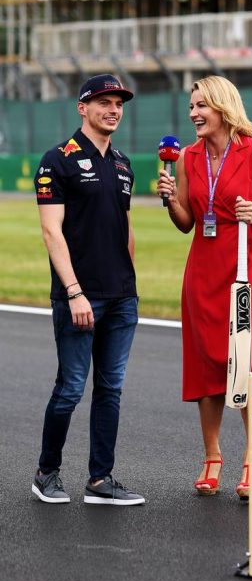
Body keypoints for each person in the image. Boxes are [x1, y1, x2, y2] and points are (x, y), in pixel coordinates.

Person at [157, 75, 252, 497]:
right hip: (203, 268)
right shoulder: (188, 157)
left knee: (248, 361)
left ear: (223, 108)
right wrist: (171, 200)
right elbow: (187, 223)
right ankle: (212, 457)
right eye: (191, 106)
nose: (193, 113)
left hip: (248, 267)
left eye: (201, 106)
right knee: (205, 364)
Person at [32, 74, 144, 506]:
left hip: (121, 297)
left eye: (118, 103)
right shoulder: (57, 160)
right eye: (103, 102)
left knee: (111, 389)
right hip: (79, 296)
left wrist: (130, 283)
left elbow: (125, 227)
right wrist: (75, 292)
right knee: (71, 387)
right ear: (83, 107)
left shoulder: (122, 163)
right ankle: (47, 472)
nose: (113, 109)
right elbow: (51, 232)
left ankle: (101, 479)